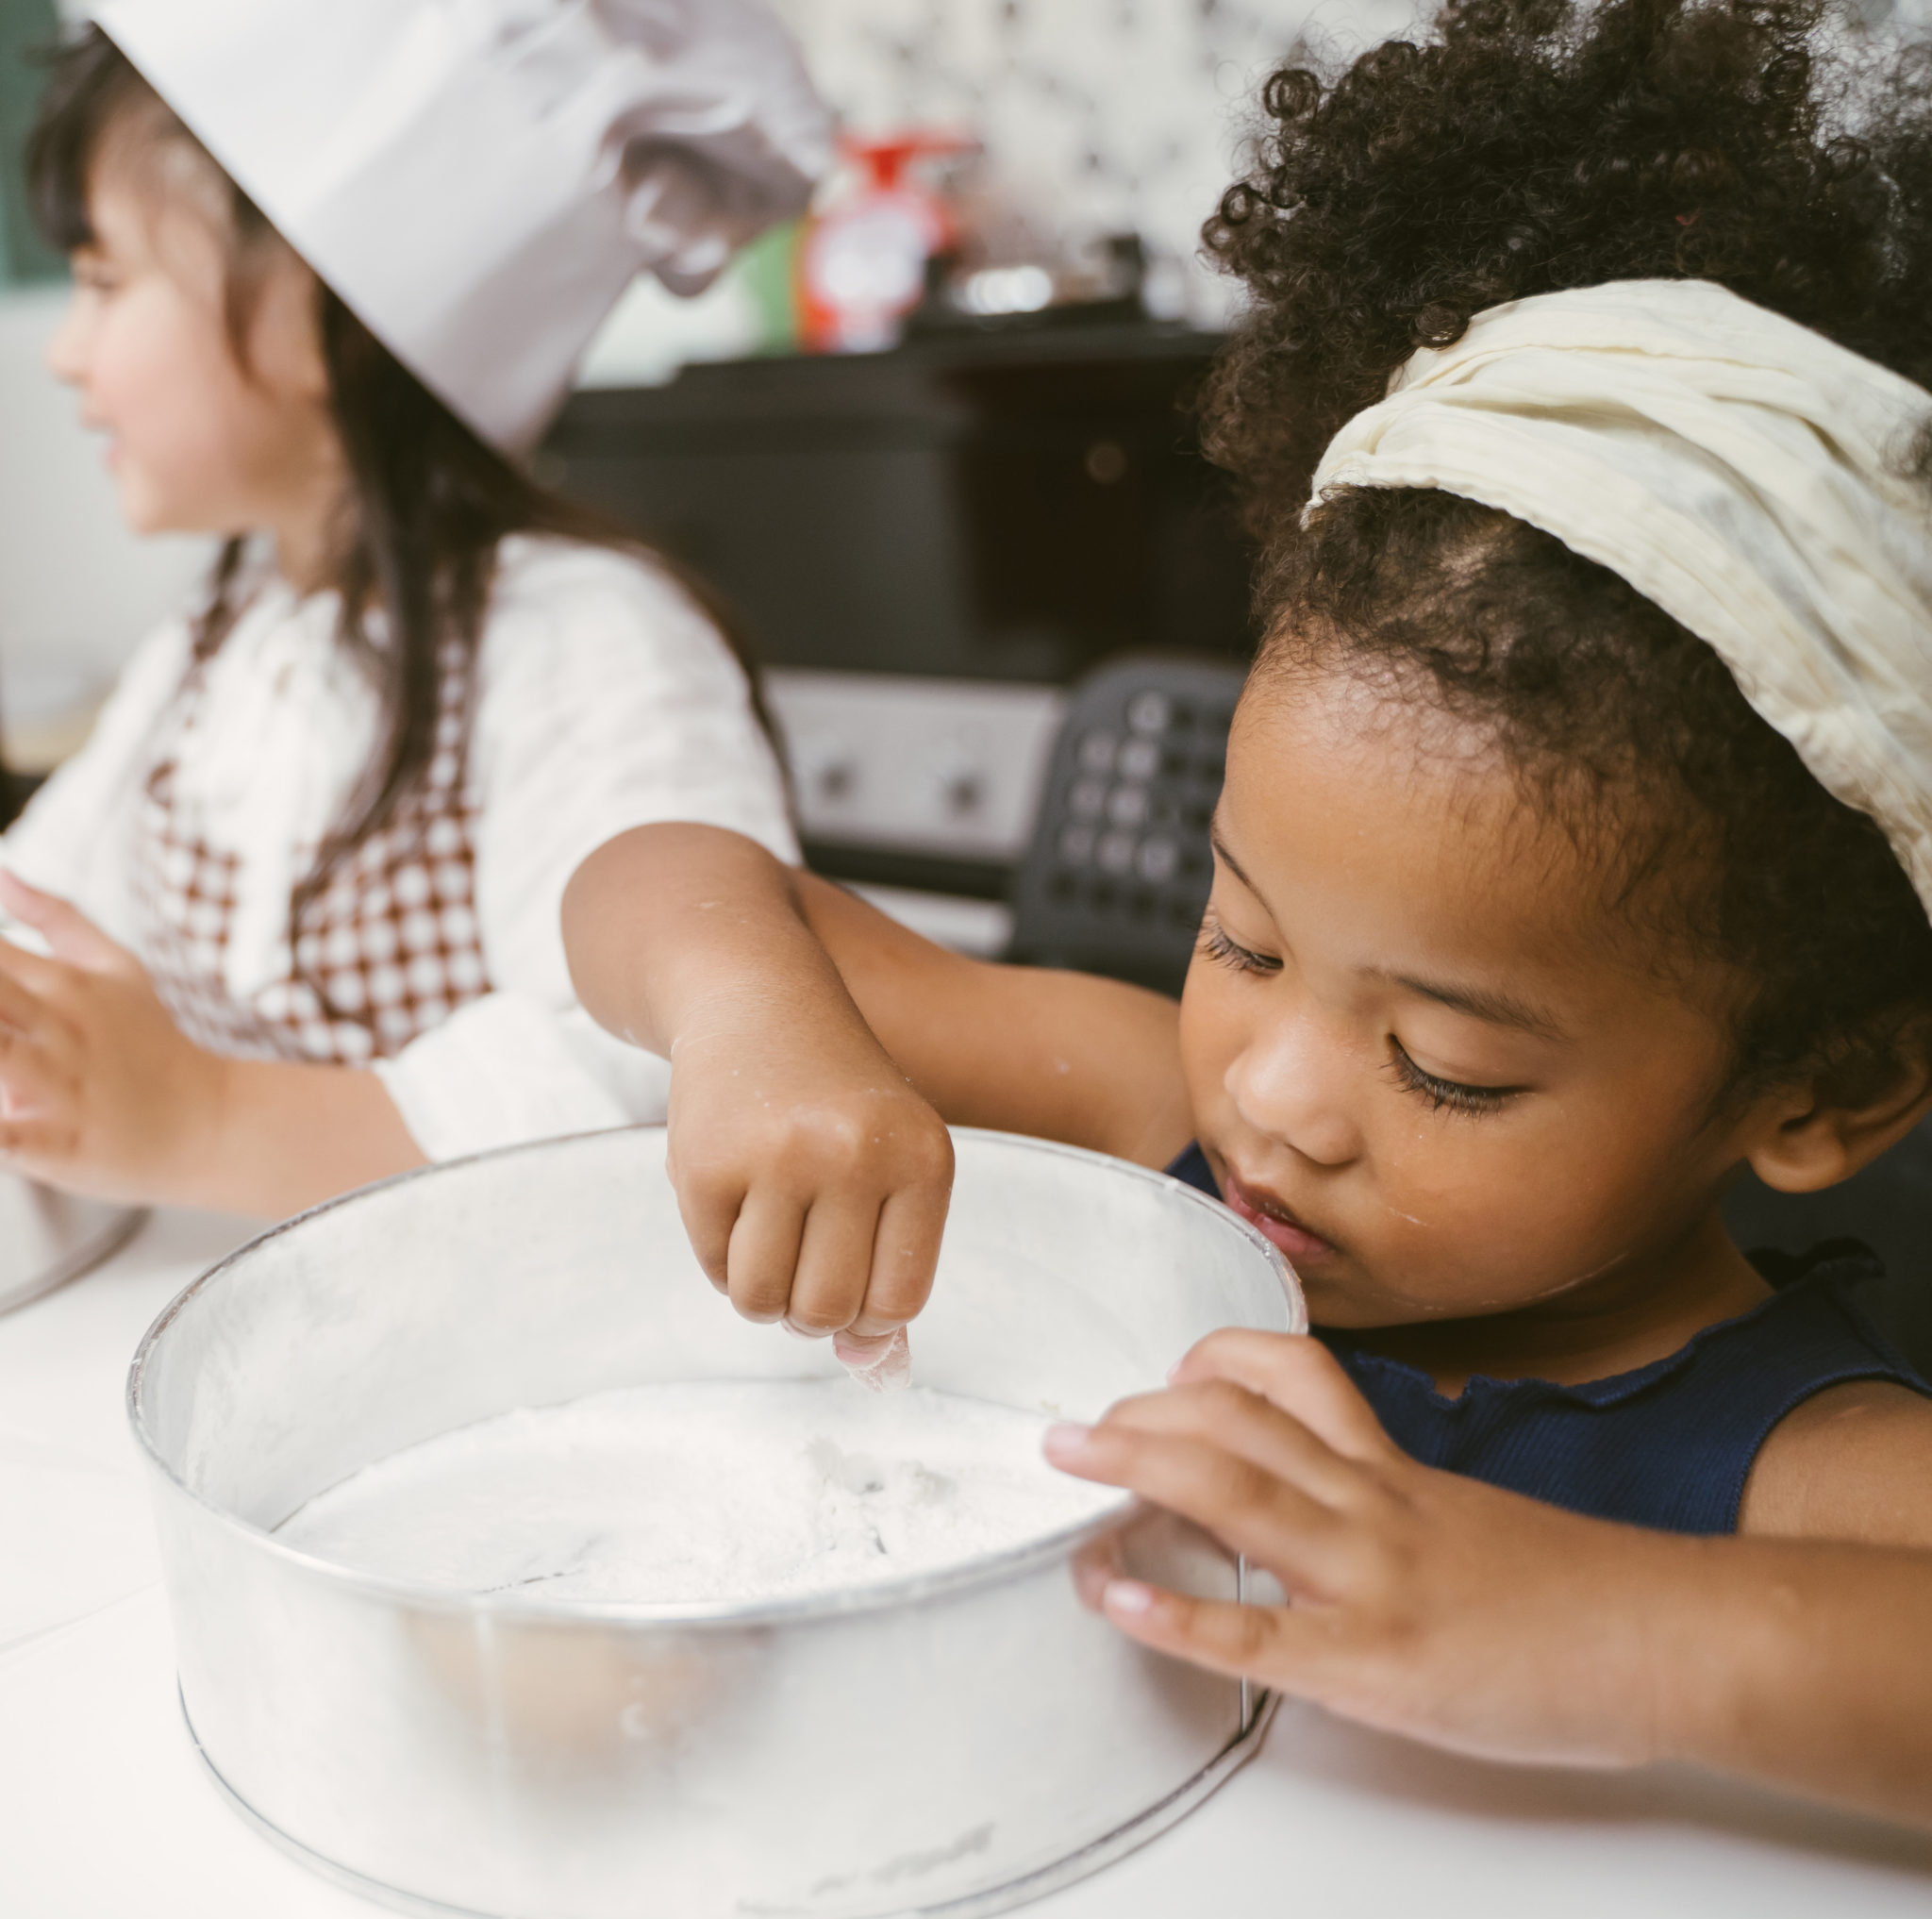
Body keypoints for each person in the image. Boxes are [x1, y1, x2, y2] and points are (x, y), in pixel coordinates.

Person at [561, 0, 1932, 1816]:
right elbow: (663, 883)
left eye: (1445, 1066)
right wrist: (751, 1022)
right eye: (1242, 940)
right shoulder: (1170, 1130)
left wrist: (1606, 1625)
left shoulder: (1797, 1468)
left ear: (1820, 1094)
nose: (1273, 1094)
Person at [0, 2, 827, 1217]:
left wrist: (205, 1118)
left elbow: (658, 1073)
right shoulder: (223, 637)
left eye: (106, 282)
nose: (68, 353)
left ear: (308, 312)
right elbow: (47, 909)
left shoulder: (586, 637)